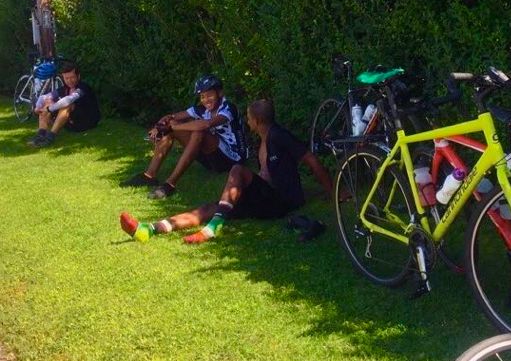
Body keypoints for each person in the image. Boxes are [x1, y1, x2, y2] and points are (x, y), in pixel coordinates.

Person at [119, 99, 335, 244]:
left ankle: (213, 228)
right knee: (210, 207)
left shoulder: (279, 136)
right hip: (265, 198)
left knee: (238, 170)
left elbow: (311, 159)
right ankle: (149, 229)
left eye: (248, 117)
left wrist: (335, 193)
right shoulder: (264, 138)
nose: (247, 121)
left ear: (257, 121)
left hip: (280, 202)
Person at [121, 74, 248, 199]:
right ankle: (149, 176)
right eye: (202, 96)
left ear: (220, 93)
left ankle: (170, 184)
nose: (205, 100)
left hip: (233, 160)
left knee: (198, 131)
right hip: (212, 158)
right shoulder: (201, 109)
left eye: (210, 95)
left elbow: (206, 124)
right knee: (173, 123)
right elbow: (170, 117)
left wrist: (172, 128)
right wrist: (159, 126)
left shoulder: (228, 108)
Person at [28, 59, 100, 147]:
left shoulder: (83, 88)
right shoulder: (65, 88)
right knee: (47, 101)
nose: (69, 81)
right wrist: (37, 107)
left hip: (87, 122)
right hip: (71, 124)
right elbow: (43, 97)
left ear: (78, 76)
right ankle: (41, 135)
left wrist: (49, 109)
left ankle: (50, 137)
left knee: (66, 105)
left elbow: (68, 100)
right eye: (66, 78)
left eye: (72, 77)